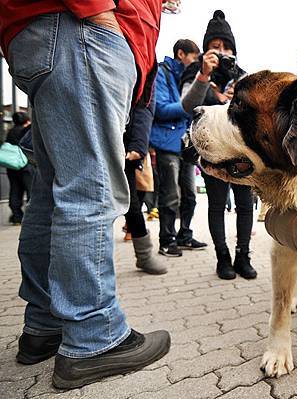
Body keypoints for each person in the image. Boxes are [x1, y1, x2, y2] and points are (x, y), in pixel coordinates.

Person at [1, 0, 170, 389]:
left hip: (51, 30)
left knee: (52, 193)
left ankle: (44, 324)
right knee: (90, 190)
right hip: (80, 28)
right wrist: (98, 12)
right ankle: (95, 337)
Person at [180, 10, 256, 280]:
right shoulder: (195, 73)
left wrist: (239, 101)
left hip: (240, 150)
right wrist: (204, 76)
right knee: (216, 203)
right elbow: (187, 106)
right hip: (211, 149)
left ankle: (243, 255)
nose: (222, 52)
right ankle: (222, 257)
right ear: (205, 50)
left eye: (226, 47)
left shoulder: (243, 77)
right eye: (215, 47)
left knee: (245, 204)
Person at [150, 39, 209, 257]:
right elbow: (161, 109)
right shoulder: (162, 73)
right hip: (166, 142)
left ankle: (185, 235)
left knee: (190, 195)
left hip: (186, 143)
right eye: (194, 57)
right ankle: (167, 240)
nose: (196, 61)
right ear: (181, 54)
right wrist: (188, 107)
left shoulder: (189, 77)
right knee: (170, 194)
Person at [124, 92, 167, 275]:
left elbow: (145, 104)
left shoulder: (144, 64)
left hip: (124, 145)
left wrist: (139, 144)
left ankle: (144, 255)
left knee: (132, 202)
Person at [5, 112, 33, 225]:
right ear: (26, 121)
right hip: (26, 165)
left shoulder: (10, 132)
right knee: (31, 190)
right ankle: (31, 216)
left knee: (15, 190)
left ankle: (17, 217)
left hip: (12, 166)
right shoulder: (26, 131)